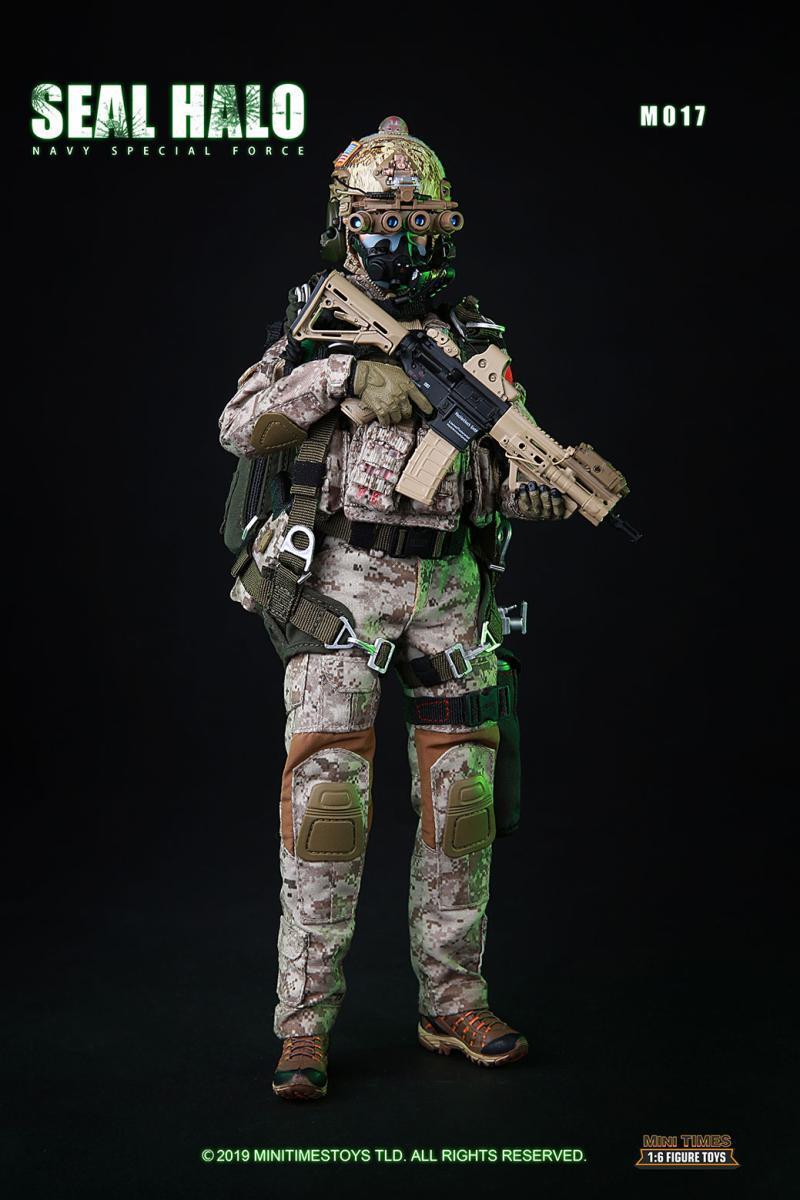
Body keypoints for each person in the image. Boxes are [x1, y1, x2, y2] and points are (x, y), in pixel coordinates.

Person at [218, 116, 570, 1102]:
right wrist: (341, 376)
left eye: (421, 221)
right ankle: (302, 1027)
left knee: (462, 801)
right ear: (346, 224)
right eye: (382, 220)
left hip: (450, 589)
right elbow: (238, 424)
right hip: (340, 586)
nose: (402, 240)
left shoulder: (476, 344)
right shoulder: (316, 324)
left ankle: (452, 999)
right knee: (326, 801)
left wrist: (534, 487)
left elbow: (506, 471)